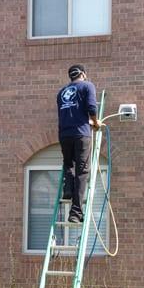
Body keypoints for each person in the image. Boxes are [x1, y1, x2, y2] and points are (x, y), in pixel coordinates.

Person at [57, 64, 101, 223]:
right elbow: (91, 107)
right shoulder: (87, 86)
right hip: (81, 134)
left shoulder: (61, 92)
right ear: (83, 73)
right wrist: (95, 123)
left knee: (69, 164)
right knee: (82, 170)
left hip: (64, 134)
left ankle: (68, 189)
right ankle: (75, 213)